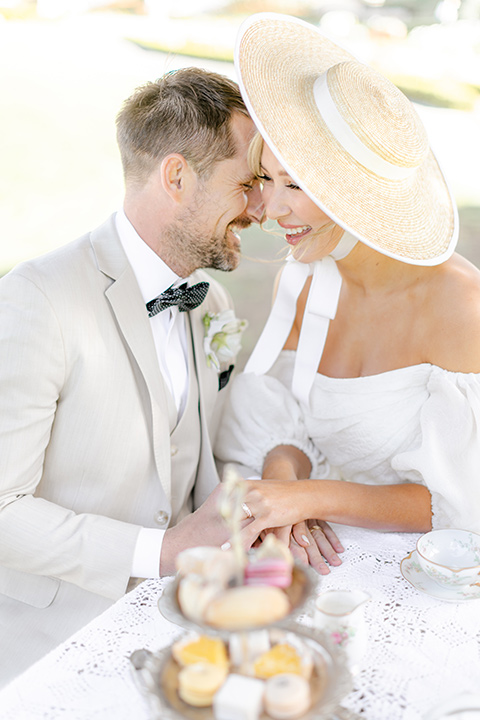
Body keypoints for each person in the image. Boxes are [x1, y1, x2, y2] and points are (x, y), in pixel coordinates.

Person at [0, 67, 264, 685]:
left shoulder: (211, 304)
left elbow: (200, 461)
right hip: (51, 647)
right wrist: (163, 551)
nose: (261, 207)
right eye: (247, 183)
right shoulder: (37, 300)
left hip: (183, 632)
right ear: (177, 176)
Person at [216, 13, 480, 572]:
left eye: (296, 185)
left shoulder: (461, 306)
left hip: (424, 574)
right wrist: (282, 487)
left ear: (358, 196)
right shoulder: (307, 280)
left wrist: (308, 499)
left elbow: (459, 501)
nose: (269, 209)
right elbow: (286, 417)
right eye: (267, 178)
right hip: (320, 558)